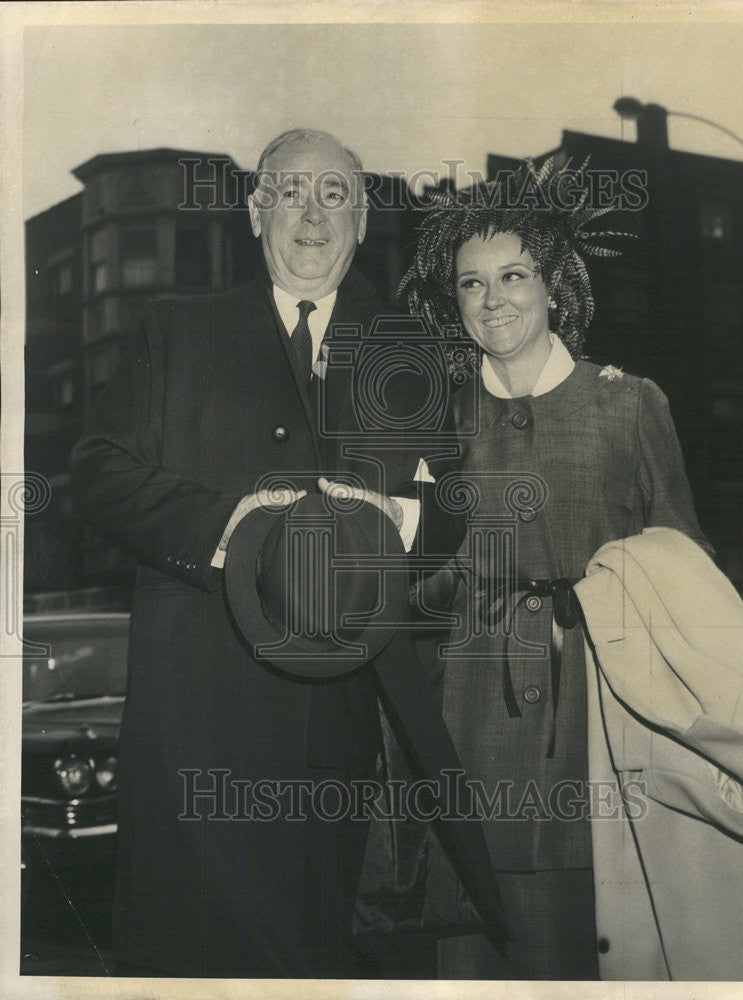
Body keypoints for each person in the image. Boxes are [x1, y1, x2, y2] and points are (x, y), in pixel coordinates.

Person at [69, 128, 506, 979]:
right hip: (194, 714)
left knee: (312, 958)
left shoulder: (409, 347)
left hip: (337, 720)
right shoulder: (174, 329)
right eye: (294, 191)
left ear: (365, 219)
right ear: (256, 209)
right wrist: (229, 528)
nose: (314, 214)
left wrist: (400, 522)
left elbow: (456, 503)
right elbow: (97, 469)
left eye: (337, 195)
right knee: (188, 959)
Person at [400, 155, 743, 980]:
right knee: (467, 943)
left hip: (598, 719)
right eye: (472, 284)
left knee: (588, 940)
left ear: (554, 284)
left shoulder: (628, 403)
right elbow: (412, 579)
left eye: (514, 274)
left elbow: (686, 570)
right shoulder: (434, 416)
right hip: (467, 715)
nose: (494, 298)